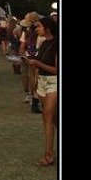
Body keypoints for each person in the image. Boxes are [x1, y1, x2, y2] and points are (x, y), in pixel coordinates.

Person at [25, 16, 58, 166]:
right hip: (43, 83)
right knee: (53, 119)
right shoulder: (44, 43)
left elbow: (56, 69)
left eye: (39, 26)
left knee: (47, 117)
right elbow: (40, 62)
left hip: (54, 82)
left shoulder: (57, 43)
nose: (36, 29)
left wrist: (37, 64)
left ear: (47, 27)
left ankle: (48, 155)